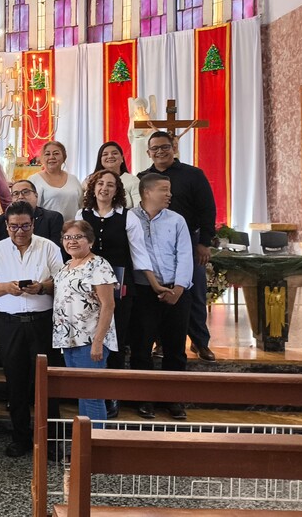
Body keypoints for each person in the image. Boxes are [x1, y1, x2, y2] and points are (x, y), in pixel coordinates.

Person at [0, 200, 64, 457]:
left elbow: (61, 279)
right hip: (9, 325)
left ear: (33, 224)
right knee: (15, 383)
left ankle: (51, 441)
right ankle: (20, 438)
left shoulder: (48, 247)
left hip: (42, 323)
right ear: (6, 225)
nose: (20, 231)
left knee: (47, 383)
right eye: (14, 226)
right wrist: (6, 287)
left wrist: (42, 287)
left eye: (25, 226)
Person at [140, 130, 217, 362]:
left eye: (165, 147)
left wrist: (204, 242)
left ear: (174, 148)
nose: (160, 152)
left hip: (190, 243)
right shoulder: (143, 177)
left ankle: (200, 342)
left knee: (193, 292)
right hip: (155, 244)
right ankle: (162, 343)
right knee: (159, 293)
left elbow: (207, 209)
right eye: (155, 149)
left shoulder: (193, 175)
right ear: (148, 152)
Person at [129, 173, 193, 420]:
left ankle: (173, 398)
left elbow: (185, 255)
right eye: (164, 190)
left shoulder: (176, 220)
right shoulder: (130, 218)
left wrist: (178, 288)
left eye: (169, 189)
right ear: (147, 192)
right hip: (144, 290)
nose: (170, 194)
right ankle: (143, 398)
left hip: (175, 291)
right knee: (141, 347)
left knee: (175, 347)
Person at [76, 170, 149, 385]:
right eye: (100, 183)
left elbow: (139, 253)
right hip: (87, 286)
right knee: (89, 334)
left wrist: (152, 282)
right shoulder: (82, 214)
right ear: (93, 187)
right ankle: (89, 385)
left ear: (117, 190)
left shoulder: (128, 216)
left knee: (116, 338)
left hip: (120, 285)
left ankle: (114, 390)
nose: (104, 188)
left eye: (110, 185)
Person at [51, 220, 118, 423]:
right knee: (82, 393)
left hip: (90, 340)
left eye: (78, 236)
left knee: (92, 396)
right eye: (67, 237)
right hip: (69, 340)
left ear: (90, 240)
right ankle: (84, 447)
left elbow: (108, 305)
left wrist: (98, 342)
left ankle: (96, 447)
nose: (72, 241)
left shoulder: (98, 264)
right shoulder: (66, 265)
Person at [0, 180, 65, 251]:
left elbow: (58, 250)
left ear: (36, 195)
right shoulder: (0, 221)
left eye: (25, 192)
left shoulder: (53, 218)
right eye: (16, 193)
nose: (20, 197)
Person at [28, 141, 84, 222]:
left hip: (71, 230)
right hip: (45, 229)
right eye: (47, 154)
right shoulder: (34, 180)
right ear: (42, 158)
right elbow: (31, 209)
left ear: (64, 157)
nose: (51, 157)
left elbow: (81, 206)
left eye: (56, 153)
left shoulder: (73, 179)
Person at [89, 141, 141, 209]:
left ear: (122, 158)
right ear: (100, 160)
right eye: (105, 154)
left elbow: (139, 208)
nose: (110, 156)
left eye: (114, 153)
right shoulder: (91, 180)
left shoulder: (133, 180)